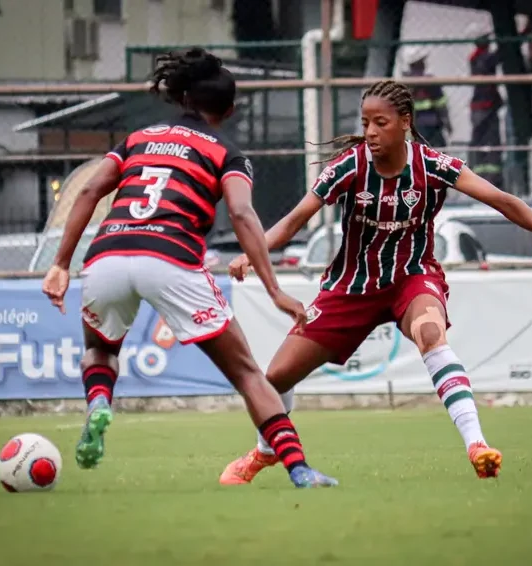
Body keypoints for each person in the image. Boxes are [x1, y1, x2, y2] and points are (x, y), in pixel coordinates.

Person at [219, 78, 532, 485]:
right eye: (365, 123)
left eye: (380, 122)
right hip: (351, 288)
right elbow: (294, 220)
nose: (371, 132)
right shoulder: (349, 167)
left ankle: (477, 445)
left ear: (405, 122)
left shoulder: (433, 165)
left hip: (412, 279)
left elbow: (505, 201)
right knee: (276, 379)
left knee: (431, 333)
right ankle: (266, 451)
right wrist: (252, 255)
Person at [41, 48, 337, 489]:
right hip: (171, 259)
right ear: (231, 110)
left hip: (107, 255)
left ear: (180, 98)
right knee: (247, 373)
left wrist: (60, 264)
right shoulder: (227, 153)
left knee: (101, 350)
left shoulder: (137, 139)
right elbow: (241, 214)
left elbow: (88, 193)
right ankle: (299, 469)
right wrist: (274, 289)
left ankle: (100, 401)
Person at [467, 23, 504, 187]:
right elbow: (500, 56)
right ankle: (489, 178)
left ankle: (484, 176)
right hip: (485, 105)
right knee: (490, 140)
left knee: (482, 141)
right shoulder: (481, 58)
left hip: (483, 105)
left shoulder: (477, 57)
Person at [402, 46, 452, 148]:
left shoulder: (404, 82)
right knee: (438, 152)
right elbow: (441, 104)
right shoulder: (430, 81)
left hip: (413, 125)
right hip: (431, 123)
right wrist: (447, 123)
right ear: (419, 63)